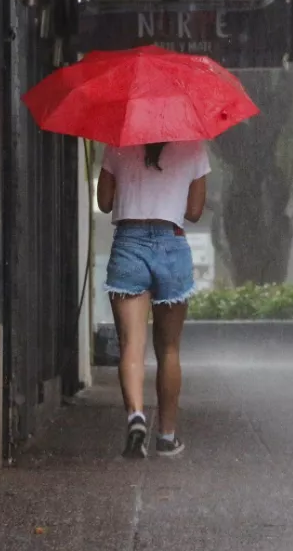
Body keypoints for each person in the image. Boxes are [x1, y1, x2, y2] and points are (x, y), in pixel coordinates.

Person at [97, 140, 210, 459]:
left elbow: (104, 202)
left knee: (132, 344)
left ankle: (135, 416)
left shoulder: (117, 143)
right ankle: (167, 436)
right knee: (169, 349)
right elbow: (195, 211)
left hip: (128, 245)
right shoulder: (193, 146)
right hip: (172, 244)